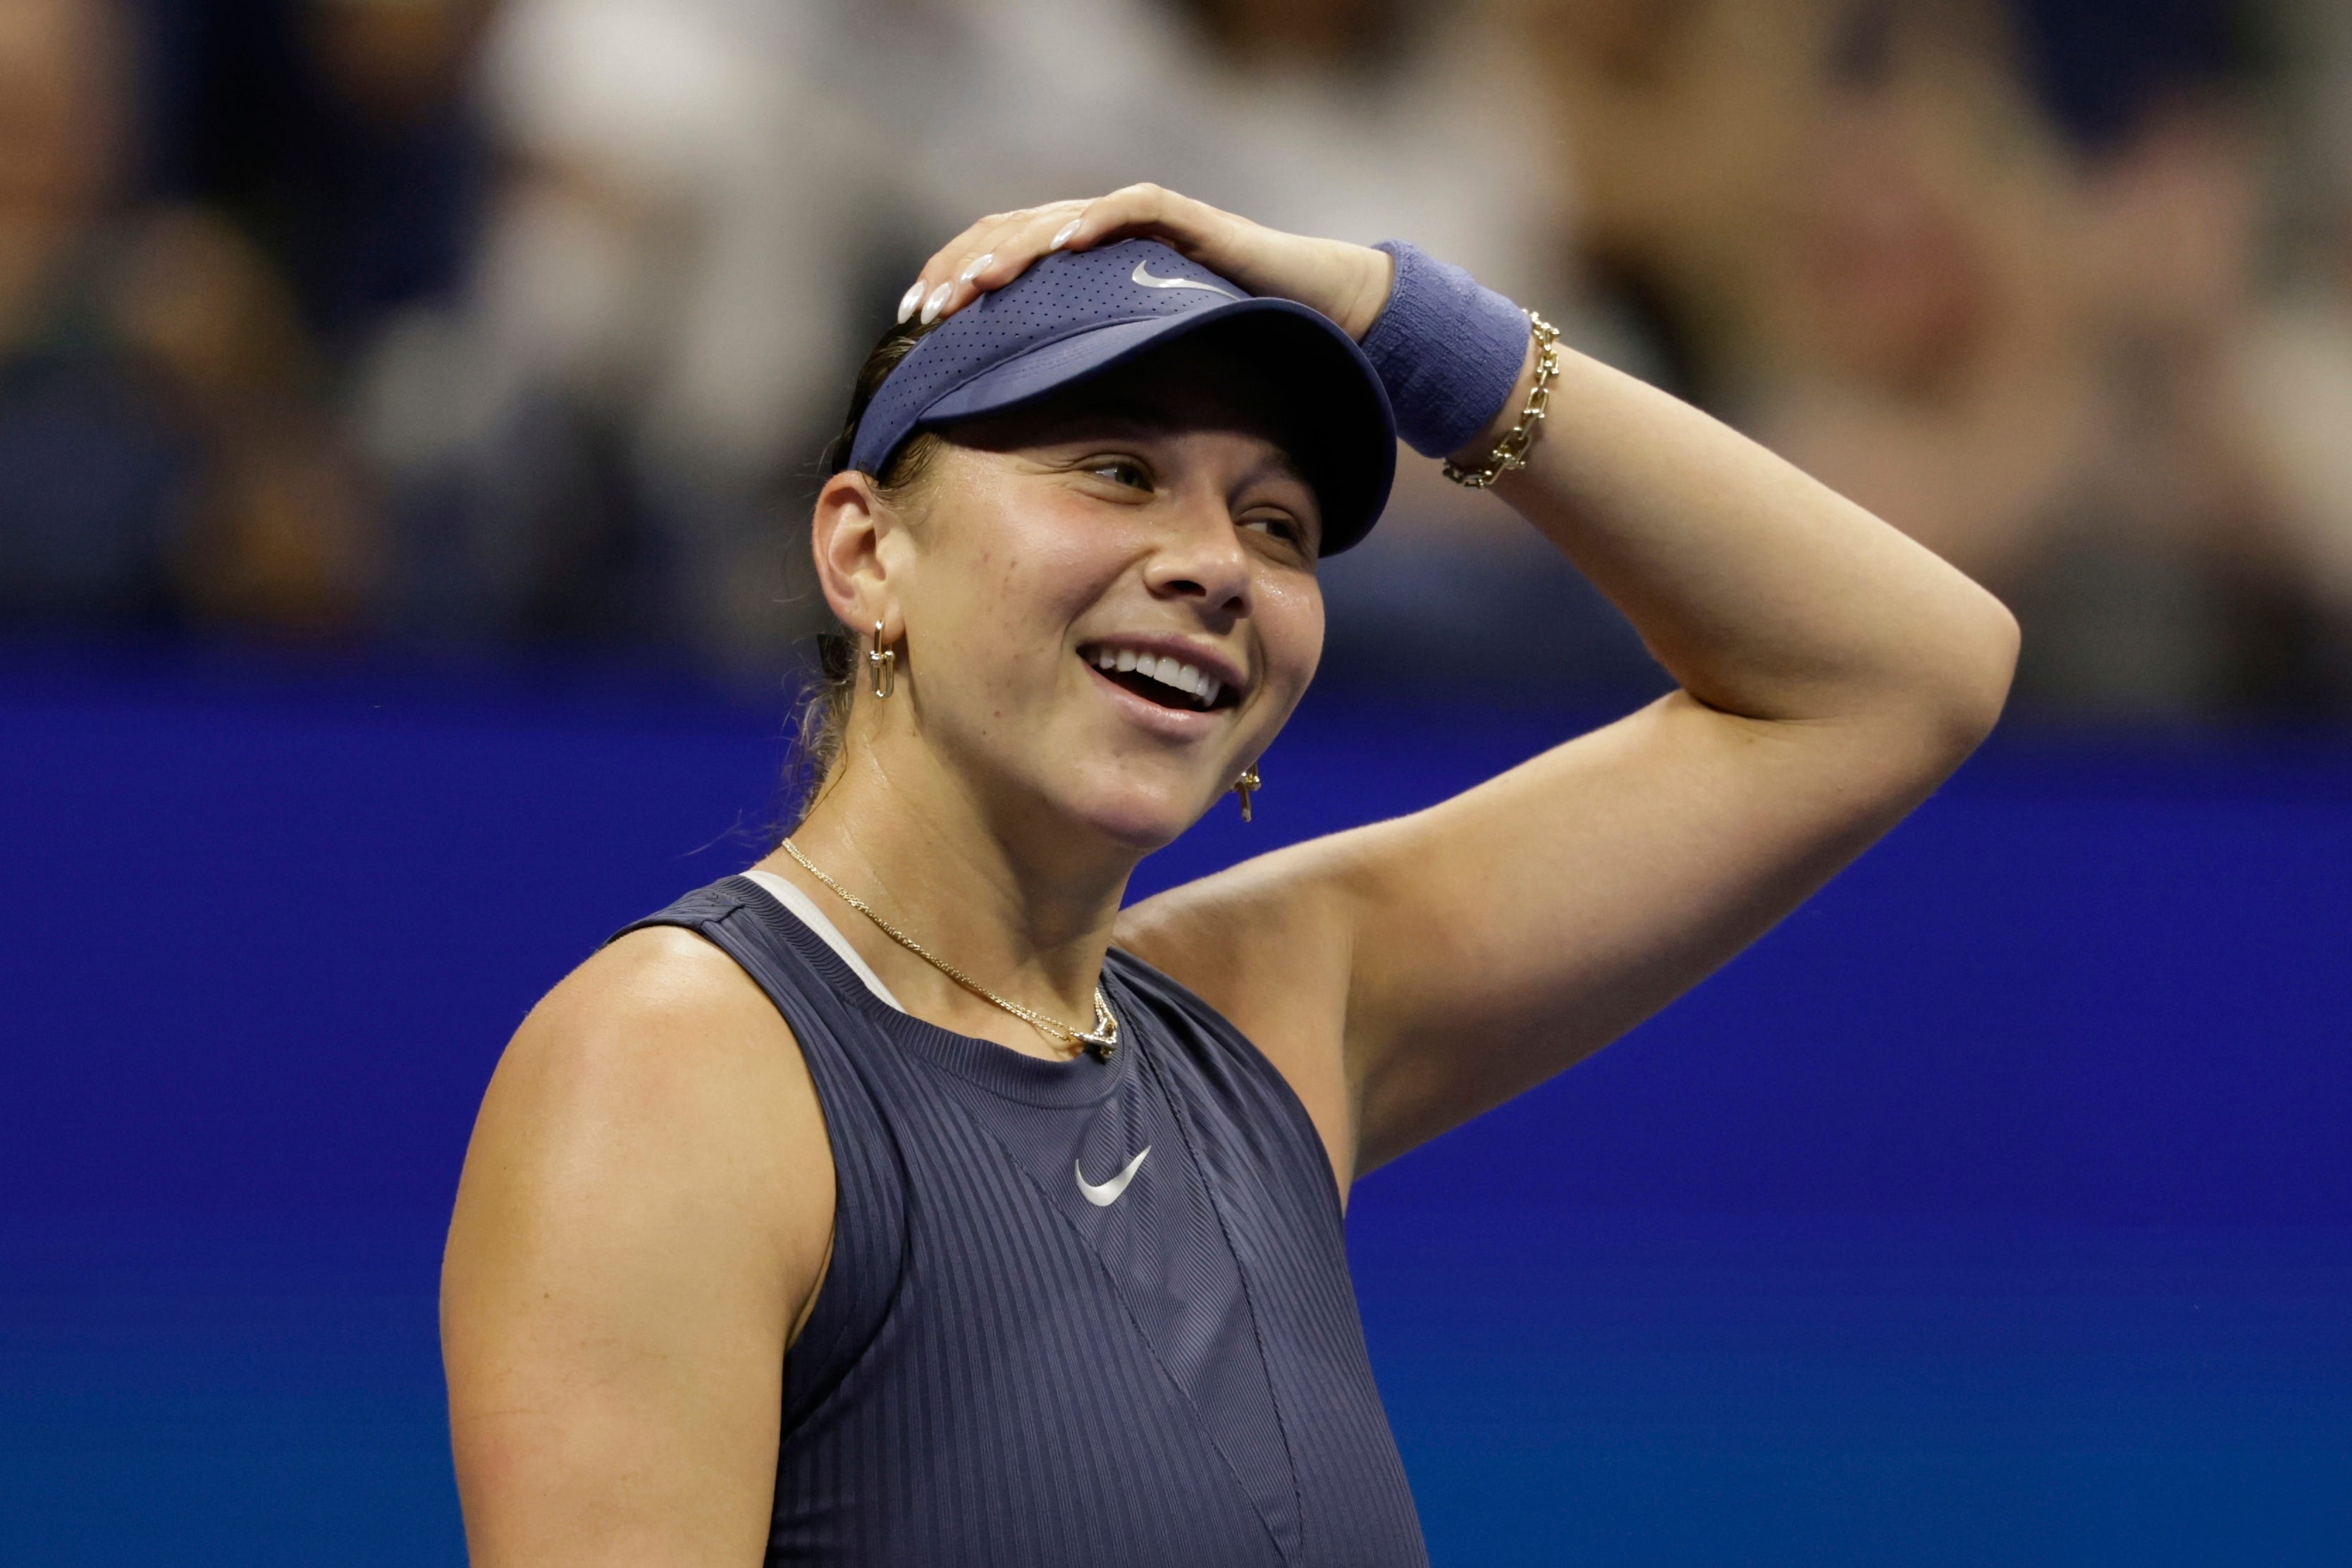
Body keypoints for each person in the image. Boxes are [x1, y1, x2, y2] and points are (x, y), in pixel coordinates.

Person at [440, 185, 2019, 1564]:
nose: (1214, 566)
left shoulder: (1268, 1012)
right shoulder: (675, 1065)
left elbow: (1905, 670)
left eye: (1277, 522)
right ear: (865, 553)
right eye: (1116, 472)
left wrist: (1397, 320)